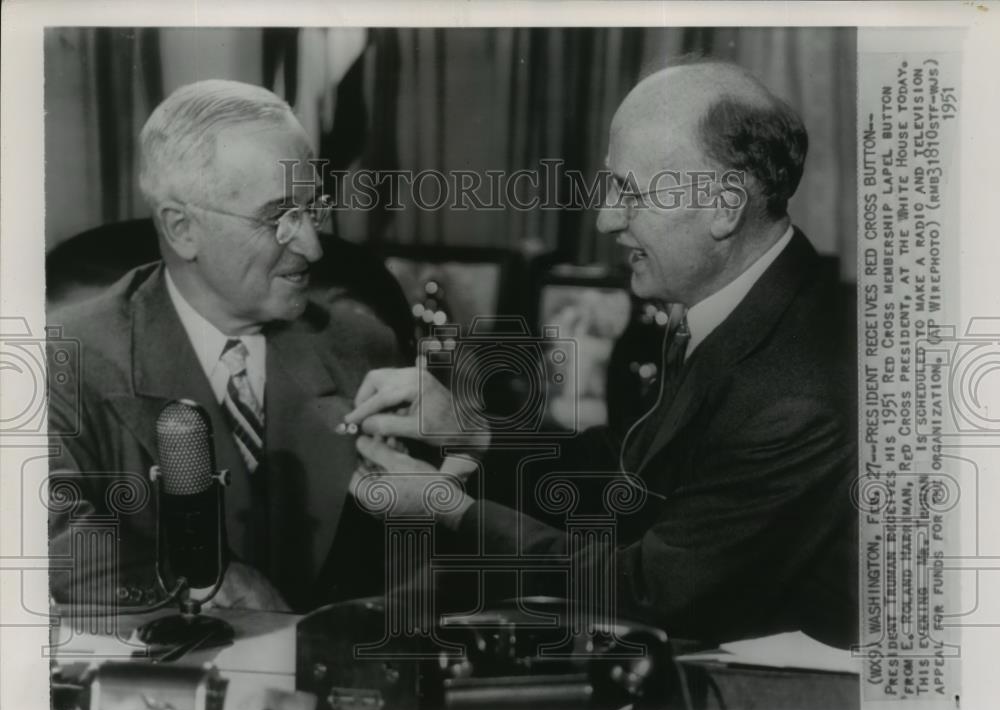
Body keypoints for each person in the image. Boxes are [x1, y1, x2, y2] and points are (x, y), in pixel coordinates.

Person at [345, 62, 858, 648]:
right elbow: (628, 472)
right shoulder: (744, 308)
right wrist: (474, 432)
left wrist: (448, 506)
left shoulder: (799, 389)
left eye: (630, 193)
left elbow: (652, 591)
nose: (606, 218)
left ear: (725, 206)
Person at [47, 80, 409, 612]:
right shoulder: (62, 361)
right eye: (278, 218)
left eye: (314, 209)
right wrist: (203, 580)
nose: (310, 245)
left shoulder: (364, 347)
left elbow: (418, 560)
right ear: (181, 229)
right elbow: (54, 549)